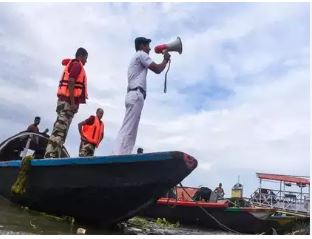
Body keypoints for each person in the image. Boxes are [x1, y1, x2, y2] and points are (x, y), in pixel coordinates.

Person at [113, 37, 171, 155]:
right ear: (141, 46)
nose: (149, 48)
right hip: (136, 94)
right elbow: (158, 69)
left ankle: (124, 154)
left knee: (131, 130)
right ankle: (118, 155)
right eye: (147, 45)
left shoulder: (137, 56)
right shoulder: (141, 54)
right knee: (129, 128)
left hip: (135, 94)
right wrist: (165, 59)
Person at [44, 47, 89, 158]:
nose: (86, 61)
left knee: (60, 130)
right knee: (60, 131)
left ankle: (53, 154)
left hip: (65, 103)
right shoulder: (77, 65)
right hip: (67, 103)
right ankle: (51, 156)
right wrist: (73, 103)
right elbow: (71, 81)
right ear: (81, 56)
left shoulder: (75, 64)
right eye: (86, 58)